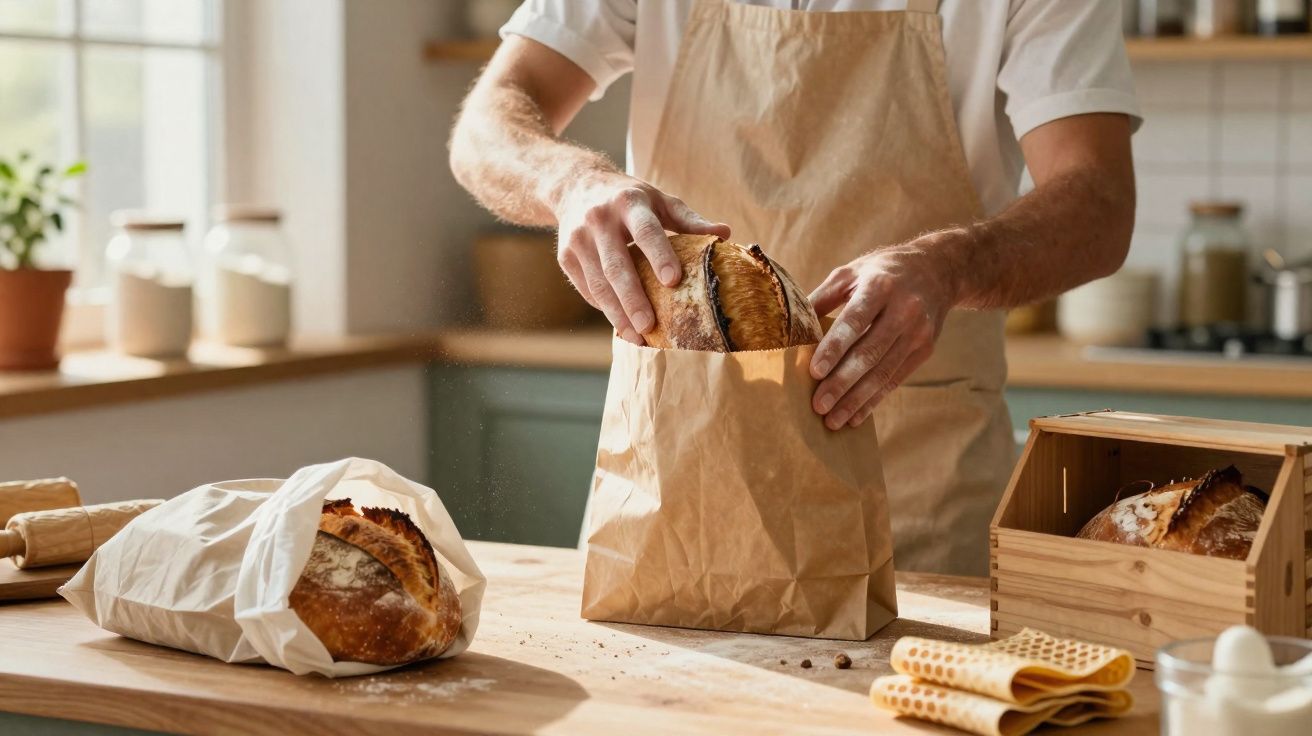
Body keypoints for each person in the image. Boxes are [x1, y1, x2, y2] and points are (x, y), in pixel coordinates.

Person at [448, 0, 1138, 576]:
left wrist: (949, 263)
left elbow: (1099, 201)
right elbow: (488, 122)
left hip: (913, 502)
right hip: (679, 477)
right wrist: (569, 183)